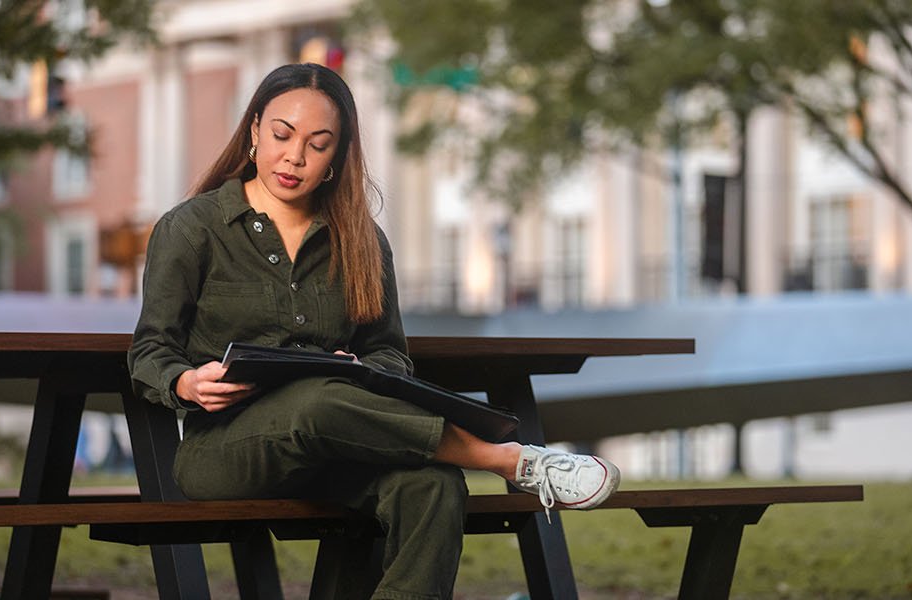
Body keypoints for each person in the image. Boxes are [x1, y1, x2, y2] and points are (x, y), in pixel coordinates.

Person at [127, 63, 619, 599]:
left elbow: (388, 352)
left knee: (434, 486)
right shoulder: (191, 228)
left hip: (341, 446)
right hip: (224, 453)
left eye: (318, 144)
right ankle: (509, 459)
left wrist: (364, 371)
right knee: (315, 400)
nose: (295, 157)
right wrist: (186, 382)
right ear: (253, 132)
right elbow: (151, 348)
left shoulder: (361, 242)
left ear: (337, 156)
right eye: (281, 135)